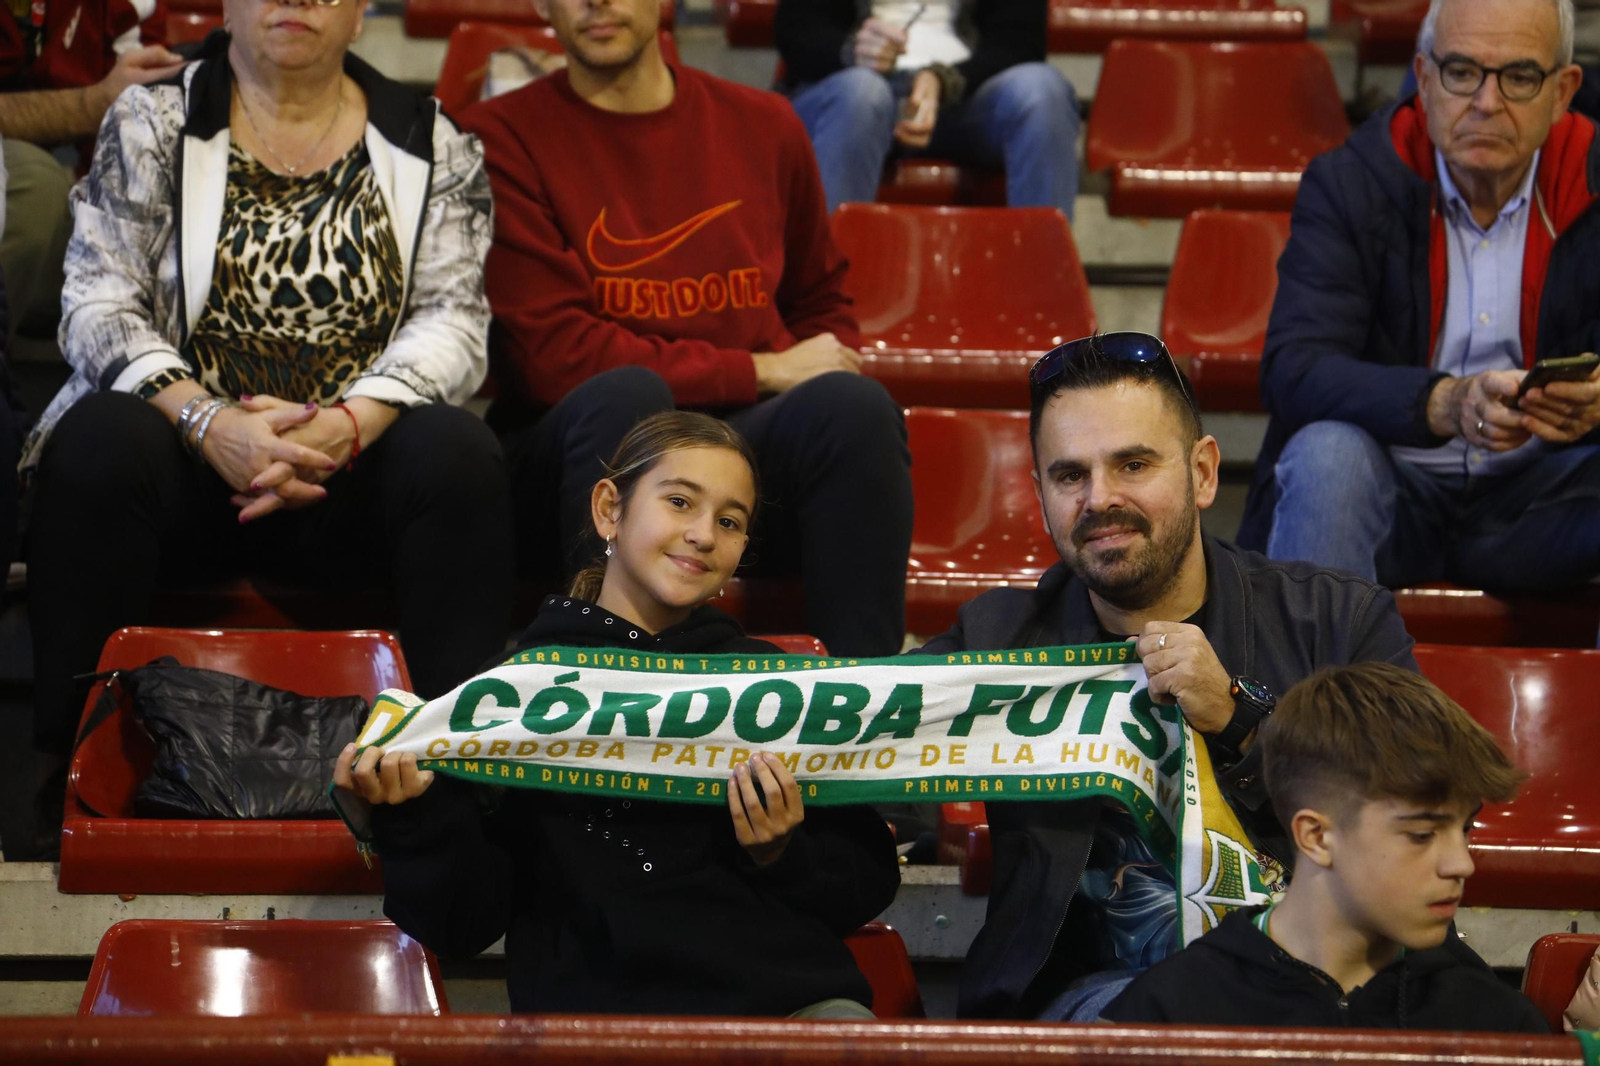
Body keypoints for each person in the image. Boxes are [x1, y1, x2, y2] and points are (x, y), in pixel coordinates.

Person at [21, 10, 512, 857]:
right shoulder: (151, 119)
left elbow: (454, 323)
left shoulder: (434, 140)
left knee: (459, 456)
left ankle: (453, 789)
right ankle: (67, 770)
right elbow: (96, 303)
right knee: (101, 441)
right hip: (182, 464)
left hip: (344, 474)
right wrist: (208, 421)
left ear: (360, 9)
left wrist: (348, 426)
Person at [919, 332, 1419, 1021]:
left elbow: (1414, 816)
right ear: (1040, 494)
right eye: (1070, 476)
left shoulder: (1338, 621)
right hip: (1091, 1011)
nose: (1100, 499)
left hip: (1320, 991)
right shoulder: (997, 639)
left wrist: (1241, 721)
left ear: (1204, 473)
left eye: (1132, 464)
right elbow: (853, 731)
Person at [335, 412, 901, 1018]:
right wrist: (415, 817)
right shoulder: (509, 696)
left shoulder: (775, 688)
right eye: (681, 501)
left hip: (791, 1015)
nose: (704, 534)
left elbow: (868, 882)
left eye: (730, 521)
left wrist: (782, 852)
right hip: (597, 1029)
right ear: (609, 509)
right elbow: (459, 926)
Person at [459, 0, 913, 658]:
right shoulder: (497, 135)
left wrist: (785, 378)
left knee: (855, 410)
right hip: (572, 451)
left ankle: (861, 715)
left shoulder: (765, 124)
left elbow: (822, 309)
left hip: (734, 445)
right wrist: (757, 369)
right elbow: (554, 357)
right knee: (627, 395)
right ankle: (599, 692)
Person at [1242, 0, 1600, 595]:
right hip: (1391, 485)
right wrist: (1444, 401)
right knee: (1326, 457)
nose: (1486, 103)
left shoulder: (1592, 178)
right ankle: (1312, 690)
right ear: (1425, 78)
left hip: (1541, 498)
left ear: (1562, 92)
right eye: (1462, 72)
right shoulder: (1352, 181)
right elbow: (1294, 369)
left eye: (1518, 77)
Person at [1102, 663, 1546, 1033]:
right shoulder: (1170, 1013)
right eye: (1422, 834)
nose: (1461, 864)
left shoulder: (1496, 1023)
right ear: (1315, 836)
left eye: (1465, 828)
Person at [775, 0, 1079, 217]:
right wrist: (852, 52)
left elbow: (1021, 41)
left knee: (1043, 91)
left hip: (966, 97)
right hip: (856, 93)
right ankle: (823, 298)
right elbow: (796, 30)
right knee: (861, 93)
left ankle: (1045, 290)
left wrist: (944, 81)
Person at [0, 0, 182, 363]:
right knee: (38, 189)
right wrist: (95, 102)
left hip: (82, 204)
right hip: (35, 201)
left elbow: (145, 124)